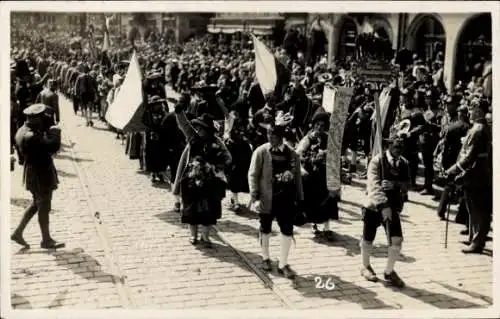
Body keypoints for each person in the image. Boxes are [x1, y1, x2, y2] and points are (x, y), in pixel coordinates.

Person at [172, 94, 232, 247]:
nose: (198, 130)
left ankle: (205, 236)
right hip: (192, 178)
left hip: (210, 180)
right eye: (197, 128)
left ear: (208, 130)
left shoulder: (216, 141)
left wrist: (218, 165)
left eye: (202, 128)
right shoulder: (192, 137)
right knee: (191, 208)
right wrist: (179, 112)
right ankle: (193, 235)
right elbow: (184, 125)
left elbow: (227, 157)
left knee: (209, 210)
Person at [248, 122, 304, 279]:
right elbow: (253, 175)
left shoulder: (292, 154)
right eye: (268, 134)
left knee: (287, 230)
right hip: (267, 199)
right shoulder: (261, 152)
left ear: (281, 137)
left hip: (286, 199)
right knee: (265, 228)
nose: (270, 138)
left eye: (273, 135)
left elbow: (297, 178)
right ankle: (265, 258)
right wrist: (255, 197)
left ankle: (283, 264)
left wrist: (300, 199)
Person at [360, 131, 410, 288]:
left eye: (401, 147)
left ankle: (389, 271)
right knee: (368, 238)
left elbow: (407, 184)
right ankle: (365, 266)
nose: (398, 150)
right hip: (374, 207)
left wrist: (395, 185)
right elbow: (373, 186)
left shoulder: (404, 163)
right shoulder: (376, 162)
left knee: (397, 241)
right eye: (396, 147)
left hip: (393, 207)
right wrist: (383, 206)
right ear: (389, 146)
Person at [11, 104, 65, 250]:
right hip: (40, 174)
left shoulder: (22, 130)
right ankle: (46, 240)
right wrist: (56, 132)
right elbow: (52, 146)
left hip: (32, 171)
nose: (44, 118)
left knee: (37, 203)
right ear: (35, 119)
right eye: (41, 117)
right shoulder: (32, 136)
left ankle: (18, 232)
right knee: (44, 205)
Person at [445, 100, 492, 254]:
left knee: (479, 208)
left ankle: (478, 242)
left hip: (477, 172)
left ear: (478, 111)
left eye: (472, 109)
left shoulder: (478, 129)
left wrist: (454, 169)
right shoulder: (481, 127)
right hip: (475, 172)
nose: (470, 112)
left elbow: (470, 156)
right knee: (472, 206)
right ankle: (474, 237)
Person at [296, 108, 338, 240]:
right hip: (312, 175)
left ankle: (327, 227)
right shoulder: (307, 138)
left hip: (326, 174)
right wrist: (312, 158)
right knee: (314, 201)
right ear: (313, 125)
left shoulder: (328, 138)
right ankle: (314, 224)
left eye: (322, 125)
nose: (319, 128)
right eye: (317, 125)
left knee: (329, 200)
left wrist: (327, 154)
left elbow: (334, 154)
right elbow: (298, 155)